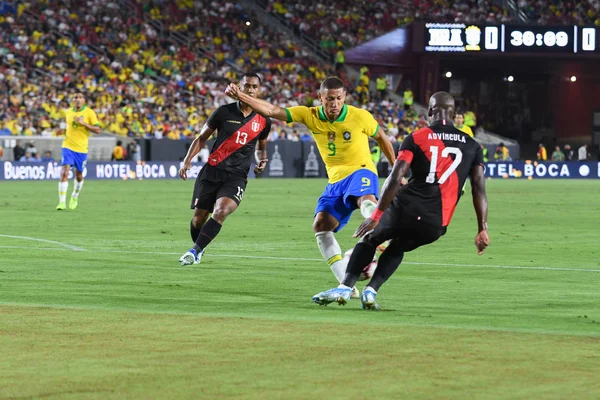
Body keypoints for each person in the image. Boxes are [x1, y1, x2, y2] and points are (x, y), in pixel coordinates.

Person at [312, 91, 489, 310]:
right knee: (398, 248)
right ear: (454, 114)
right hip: (437, 222)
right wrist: (482, 228)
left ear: (430, 112)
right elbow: (478, 189)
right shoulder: (473, 146)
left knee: (370, 238)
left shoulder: (416, 138)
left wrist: (375, 216)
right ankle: (371, 291)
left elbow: (396, 179)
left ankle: (345, 287)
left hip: (406, 207)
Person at [225, 76, 396, 298]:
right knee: (321, 225)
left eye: (338, 98)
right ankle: (346, 285)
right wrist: (241, 95)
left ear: (344, 97)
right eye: (329, 99)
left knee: (366, 201)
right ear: (320, 98)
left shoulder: (360, 116)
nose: (334, 103)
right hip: (335, 180)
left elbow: (382, 138)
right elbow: (272, 110)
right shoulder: (310, 115)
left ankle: (382, 236)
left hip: (361, 169)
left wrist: (395, 170)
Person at [178, 73, 271, 266]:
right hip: (212, 170)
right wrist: (187, 160)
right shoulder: (223, 112)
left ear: (259, 89)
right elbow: (202, 138)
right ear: (239, 87)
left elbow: (261, 148)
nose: (251, 90)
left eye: (254, 86)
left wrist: (261, 160)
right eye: (247, 86)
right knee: (198, 219)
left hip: (236, 176)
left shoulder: (264, 119)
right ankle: (199, 248)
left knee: (220, 211)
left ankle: (194, 251)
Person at [57, 91, 101, 210]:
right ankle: (62, 203)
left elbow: (97, 130)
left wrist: (83, 123)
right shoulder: (68, 112)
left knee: (79, 175)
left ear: (84, 100)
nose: (78, 99)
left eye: (80, 97)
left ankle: (75, 196)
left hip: (81, 149)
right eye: (75, 97)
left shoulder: (89, 113)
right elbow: (69, 128)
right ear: (73, 100)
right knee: (64, 171)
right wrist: (62, 132)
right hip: (67, 146)